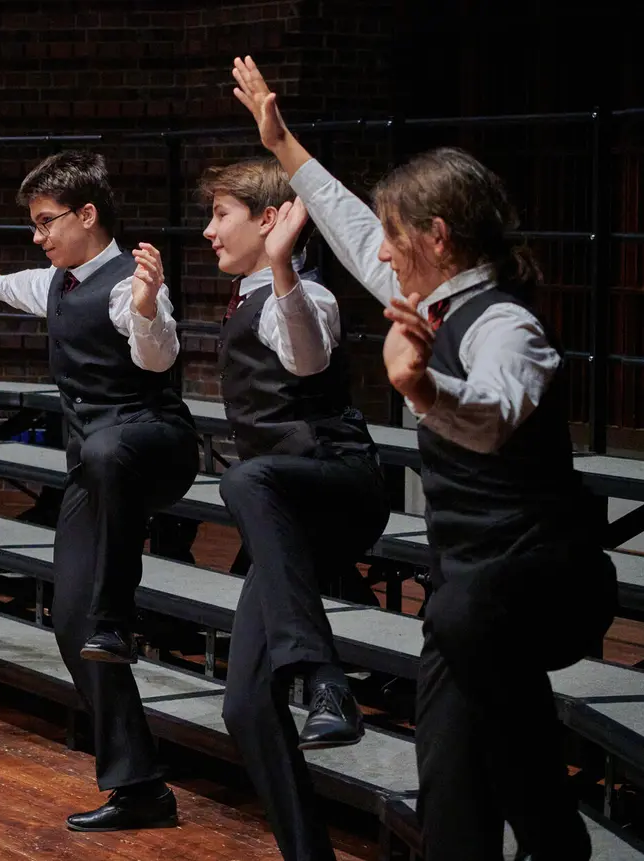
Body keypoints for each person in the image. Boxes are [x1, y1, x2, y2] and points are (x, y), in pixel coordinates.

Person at [232, 55, 618, 861]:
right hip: (468, 590)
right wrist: (283, 145)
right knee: (453, 785)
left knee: (469, 654)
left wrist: (424, 388)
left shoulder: (506, 324)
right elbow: (349, 228)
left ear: (437, 237)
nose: (382, 253)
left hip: (533, 582)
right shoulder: (428, 299)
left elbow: (498, 415)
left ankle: (555, 839)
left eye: (396, 236)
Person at [0, 149, 198, 831]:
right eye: (34, 224)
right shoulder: (57, 283)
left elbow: (157, 354)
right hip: (94, 468)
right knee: (69, 618)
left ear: (87, 214)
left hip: (153, 444)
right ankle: (140, 786)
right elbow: (21, 286)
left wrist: (149, 308)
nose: (38, 235)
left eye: (46, 222)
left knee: (104, 448)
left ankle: (116, 614)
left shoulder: (131, 284)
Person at [198, 156, 390, 861]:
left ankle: (327, 681)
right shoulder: (244, 300)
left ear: (271, 220)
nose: (209, 230)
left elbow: (306, 360)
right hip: (287, 512)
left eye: (222, 214)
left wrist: (282, 267)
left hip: (340, 485)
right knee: (245, 704)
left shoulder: (311, 294)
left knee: (244, 481)